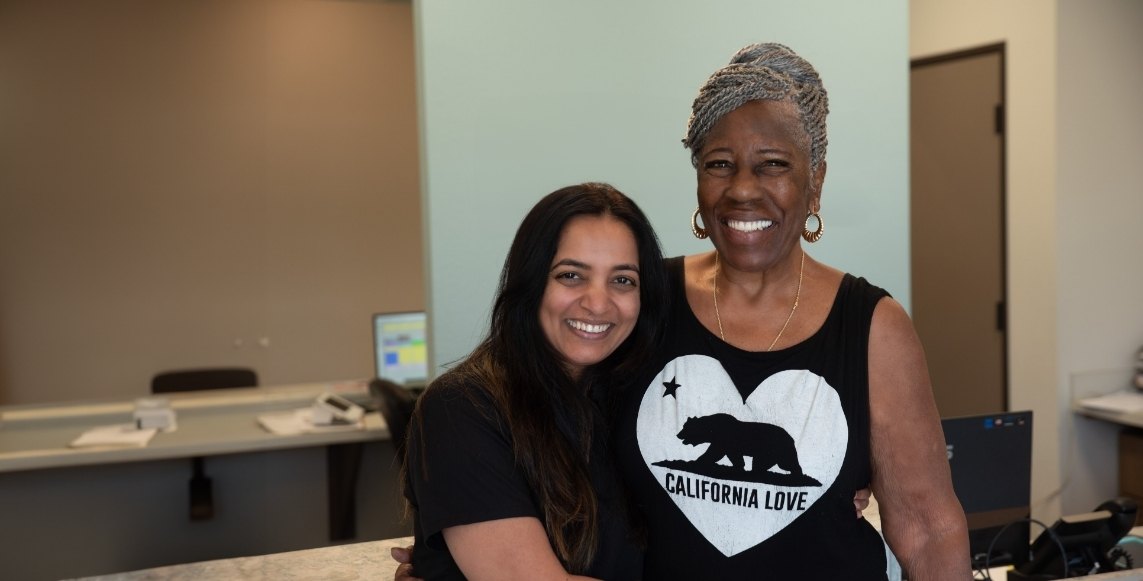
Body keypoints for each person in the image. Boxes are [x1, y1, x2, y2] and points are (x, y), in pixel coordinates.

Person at [611, 42, 970, 579]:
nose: (742, 190)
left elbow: (925, 524)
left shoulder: (872, 326)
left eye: (772, 165)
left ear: (815, 183)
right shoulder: (645, 298)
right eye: (719, 165)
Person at [402, 182, 669, 580]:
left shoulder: (629, 398)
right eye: (571, 275)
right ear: (531, 282)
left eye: (623, 280)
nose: (598, 303)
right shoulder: (462, 409)